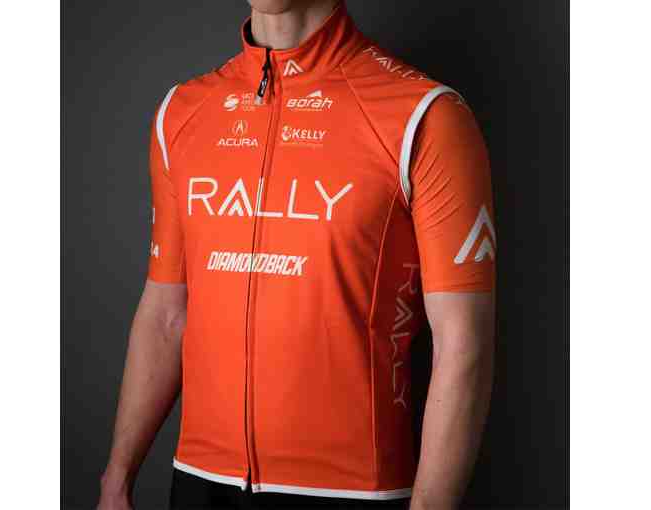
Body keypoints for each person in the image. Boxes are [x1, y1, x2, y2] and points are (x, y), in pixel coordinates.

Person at [97, 1, 496, 509]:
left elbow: (464, 343)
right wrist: (117, 479)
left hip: (352, 490)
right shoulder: (182, 112)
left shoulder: (424, 115)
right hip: (200, 483)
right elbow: (165, 314)